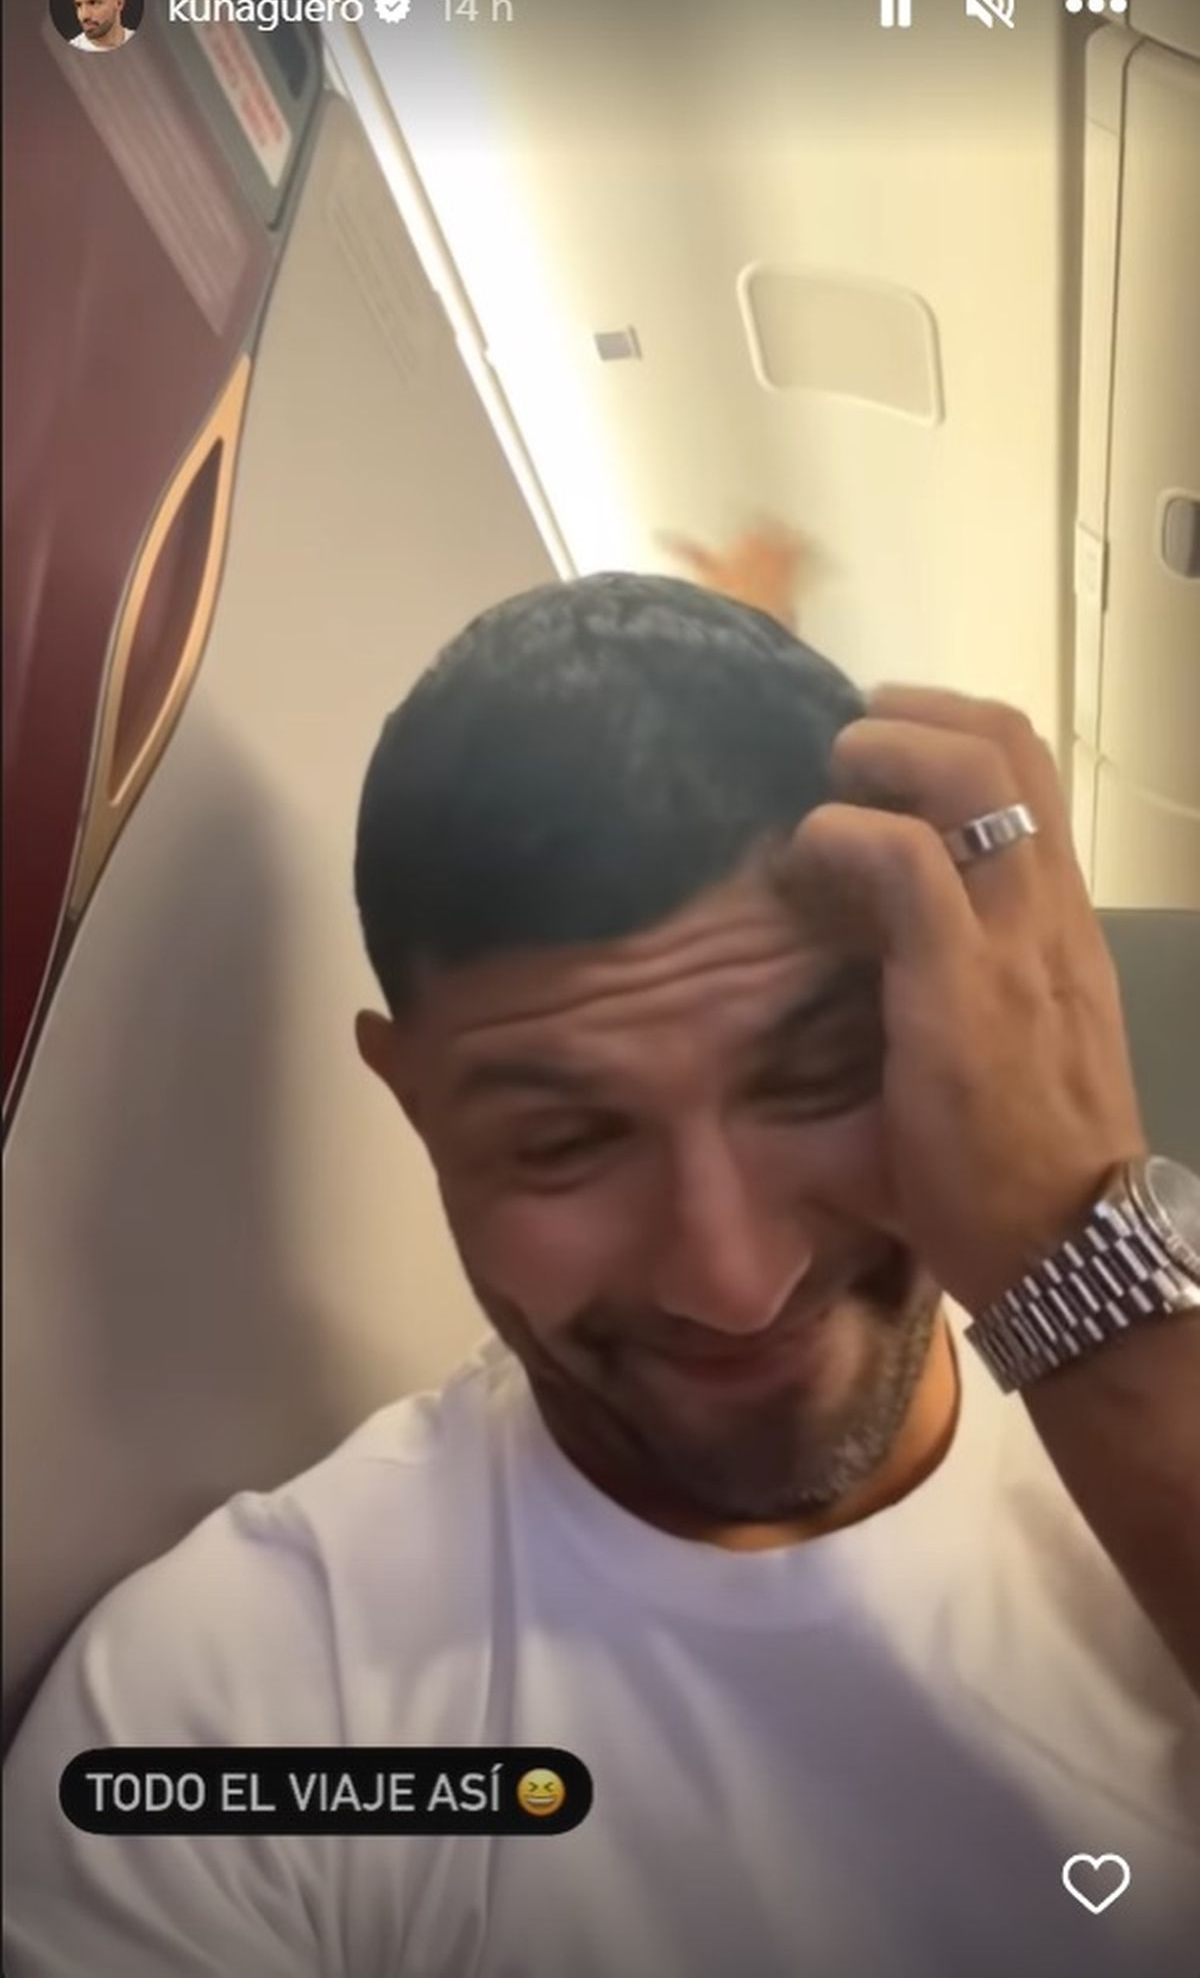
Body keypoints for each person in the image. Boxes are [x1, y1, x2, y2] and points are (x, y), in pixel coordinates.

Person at [4, 532, 1199, 1978]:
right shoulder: (234, 1711)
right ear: (415, 1105)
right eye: (565, 1142)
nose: (731, 1279)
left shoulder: (1165, 1402)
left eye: (822, 1077)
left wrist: (1086, 1269)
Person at [67, 0, 136, 53]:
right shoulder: (68, 52)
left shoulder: (144, 44)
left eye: (93, 3)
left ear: (119, 3)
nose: (84, 16)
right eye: (79, 5)